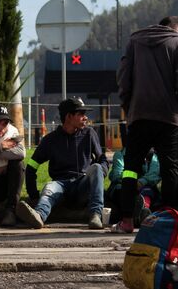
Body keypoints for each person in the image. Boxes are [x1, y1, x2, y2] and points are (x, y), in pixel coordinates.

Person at [114, 16, 178, 233]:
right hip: (169, 117)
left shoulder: (135, 42)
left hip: (139, 115)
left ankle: (127, 220)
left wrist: (128, 105)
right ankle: (167, 220)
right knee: (170, 169)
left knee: (130, 169)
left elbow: (123, 77)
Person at [16, 97, 109, 230]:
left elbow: (103, 160)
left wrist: (100, 174)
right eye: (81, 114)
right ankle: (38, 216)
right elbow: (31, 166)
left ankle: (95, 215)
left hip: (82, 184)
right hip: (60, 185)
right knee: (49, 187)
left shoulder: (90, 134)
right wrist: (33, 195)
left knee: (97, 167)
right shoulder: (50, 140)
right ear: (69, 117)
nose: (85, 117)